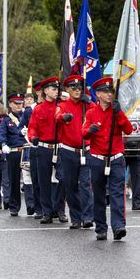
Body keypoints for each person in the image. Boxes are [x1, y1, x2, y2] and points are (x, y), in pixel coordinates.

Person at [83, 77, 134, 241]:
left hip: (116, 158)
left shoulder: (117, 110)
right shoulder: (91, 112)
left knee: (117, 193)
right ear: (97, 94)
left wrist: (119, 113)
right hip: (97, 159)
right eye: (105, 92)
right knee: (98, 194)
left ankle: (119, 226)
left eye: (111, 91)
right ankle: (101, 228)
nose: (109, 94)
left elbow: (129, 130)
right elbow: (83, 133)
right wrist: (90, 130)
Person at [29, 77, 66, 223]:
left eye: (57, 89)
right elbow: (32, 128)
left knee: (63, 179)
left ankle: (60, 209)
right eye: (53, 89)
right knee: (43, 181)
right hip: (44, 147)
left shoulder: (62, 106)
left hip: (61, 147)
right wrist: (33, 138)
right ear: (45, 91)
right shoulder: (38, 109)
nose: (56, 91)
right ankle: (47, 211)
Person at [56, 75, 91, 228]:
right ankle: (76, 218)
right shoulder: (63, 105)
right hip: (69, 151)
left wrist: (90, 102)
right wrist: (64, 117)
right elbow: (57, 117)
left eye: (80, 88)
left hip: (86, 150)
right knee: (71, 186)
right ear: (67, 89)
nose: (77, 90)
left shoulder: (87, 104)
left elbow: (99, 114)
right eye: (74, 88)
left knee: (86, 184)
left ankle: (88, 217)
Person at [0, 92, 29, 216]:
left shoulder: (27, 116)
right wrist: (3, 144)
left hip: (27, 150)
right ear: (10, 104)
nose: (19, 105)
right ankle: (14, 206)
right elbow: (2, 134)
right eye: (16, 103)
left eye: (21, 103)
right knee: (14, 181)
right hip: (14, 152)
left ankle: (32, 206)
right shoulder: (6, 120)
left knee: (29, 181)